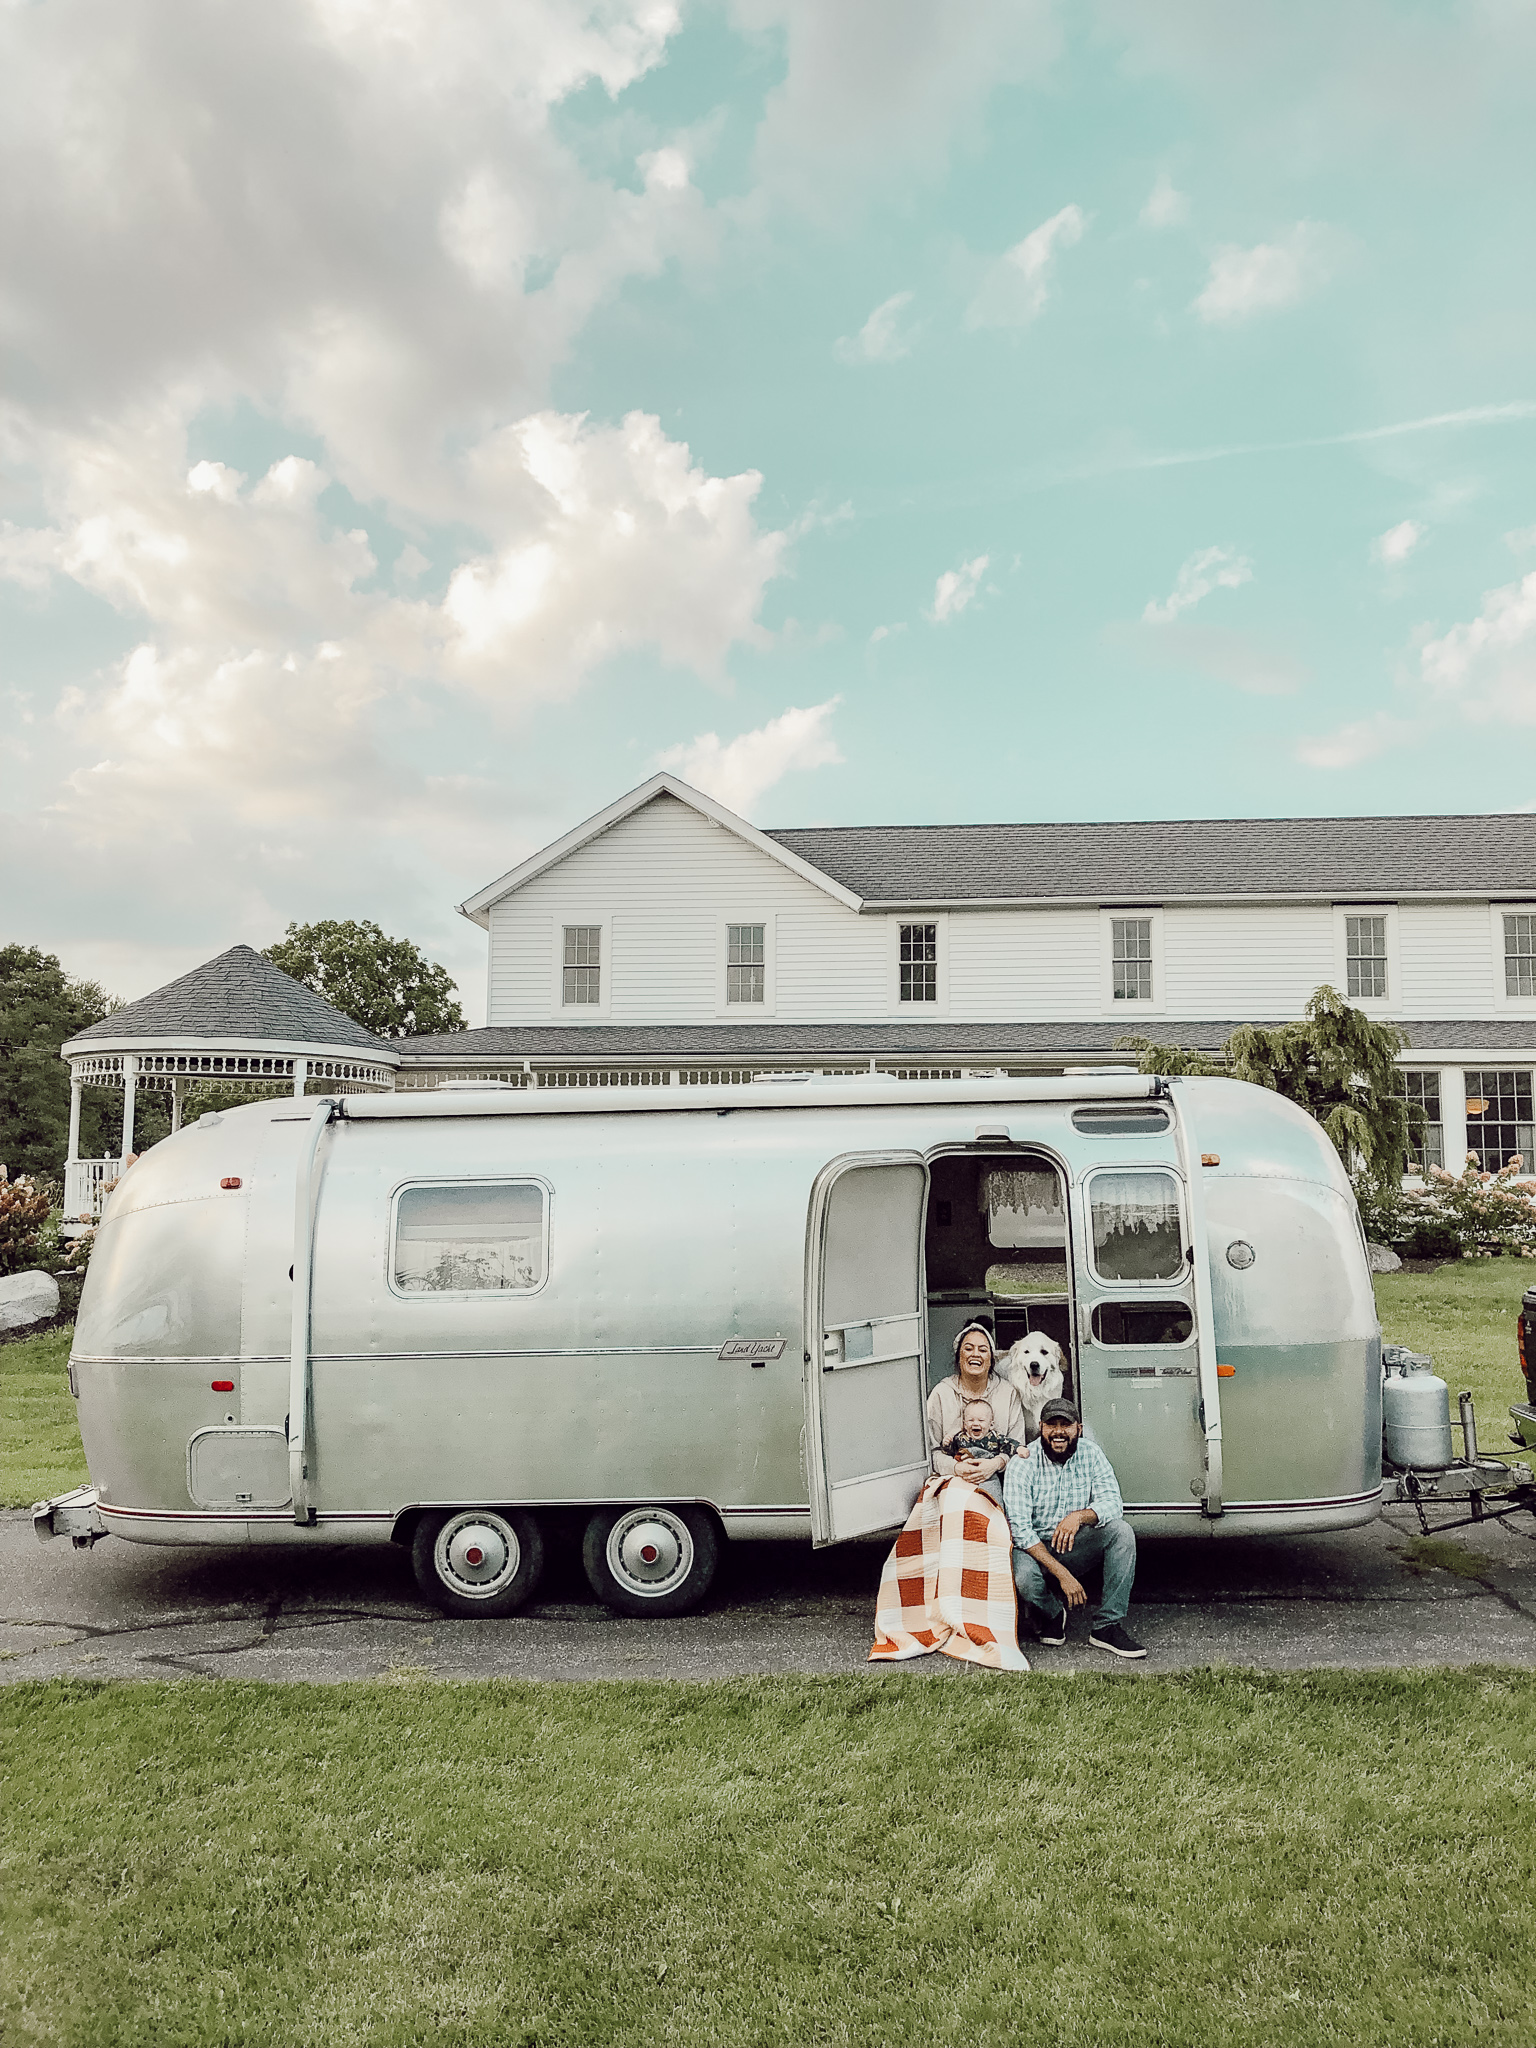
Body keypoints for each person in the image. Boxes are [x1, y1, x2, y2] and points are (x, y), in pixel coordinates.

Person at [1001, 1397, 1145, 1658]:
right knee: (1024, 1579)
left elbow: (1113, 1503)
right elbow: (1020, 1530)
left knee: (1121, 1532)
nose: (1058, 1432)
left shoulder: (1091, 1453)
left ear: (1079, 1428)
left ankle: (1106, 1626)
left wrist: (1079, 1517)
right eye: (1051, 1425)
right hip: (1034, 1548)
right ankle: (1053, 1612)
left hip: (1074, 1546)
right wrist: (1063, 1576)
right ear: (1041, 1427)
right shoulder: (1022, 1463)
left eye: (1065, 1425)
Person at [926, 1322, 1030, 1502]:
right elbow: (930, 1451)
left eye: (983, 1350)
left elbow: (1018, 1445)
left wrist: (995, 1464)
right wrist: (956, 1468)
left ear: (991, 1358)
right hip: (951, 1482)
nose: (975, 1354)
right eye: (968, 1349)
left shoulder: (1008, 1393)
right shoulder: (941, 1393)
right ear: (959, 1356)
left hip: (999, 1482)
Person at [940, 1396, 1019, 1468]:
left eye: (981, 1420)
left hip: (989, 1471)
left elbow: (1009, 1444)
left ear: (991, 1425)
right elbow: (950, 1452)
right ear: (965, 1425)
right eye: (971, 1420)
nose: (975, 1423)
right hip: (965, 1470)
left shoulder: (995, 1437)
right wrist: (946, 1444)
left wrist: (1019, 1448)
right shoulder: (960, 1438)